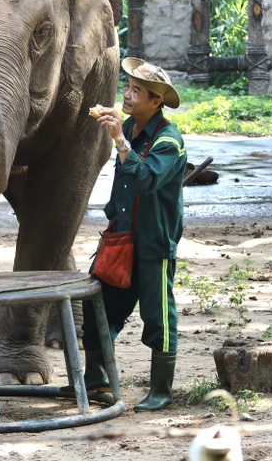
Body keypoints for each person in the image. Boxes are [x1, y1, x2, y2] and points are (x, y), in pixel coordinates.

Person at [81, 57, 187, 412]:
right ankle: (95, 377)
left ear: (156, 101)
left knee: (158, 316)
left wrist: (119, 140)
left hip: (154, 242)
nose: (126, 94)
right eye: (126, 87)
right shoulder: (131, 127)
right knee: (98, 304)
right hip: (121, 237)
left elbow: (145, 180)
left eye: (136, 91)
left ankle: (161, 390)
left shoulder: (168, 141)